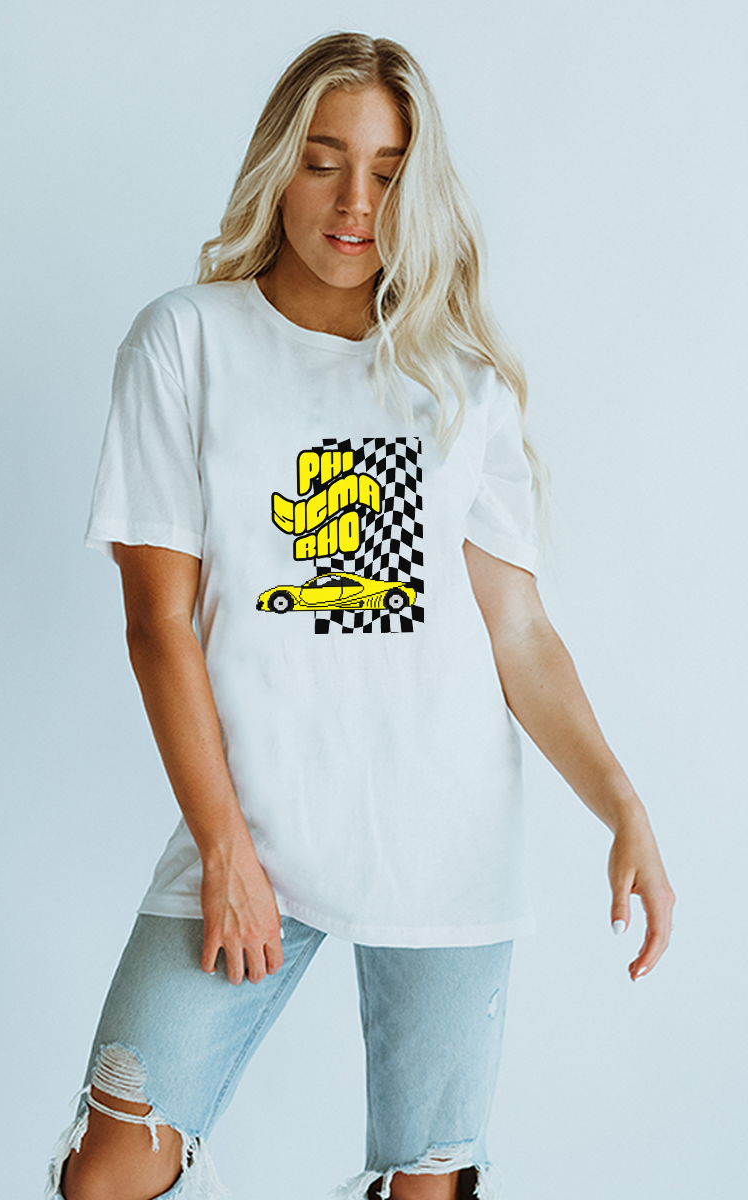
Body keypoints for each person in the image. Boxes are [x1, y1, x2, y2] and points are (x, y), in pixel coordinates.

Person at [47, 31, 675, 1200]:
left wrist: (621, 806)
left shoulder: (456, 380)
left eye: (387, 173)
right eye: (323, 161)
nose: (353, 203)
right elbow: (157, 625)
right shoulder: (186, 342)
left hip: (445, 842)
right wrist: (225, 849)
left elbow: (517, 633)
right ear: (277, 164)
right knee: (111, 1167)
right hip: (252, 834)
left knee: (426, 1184)